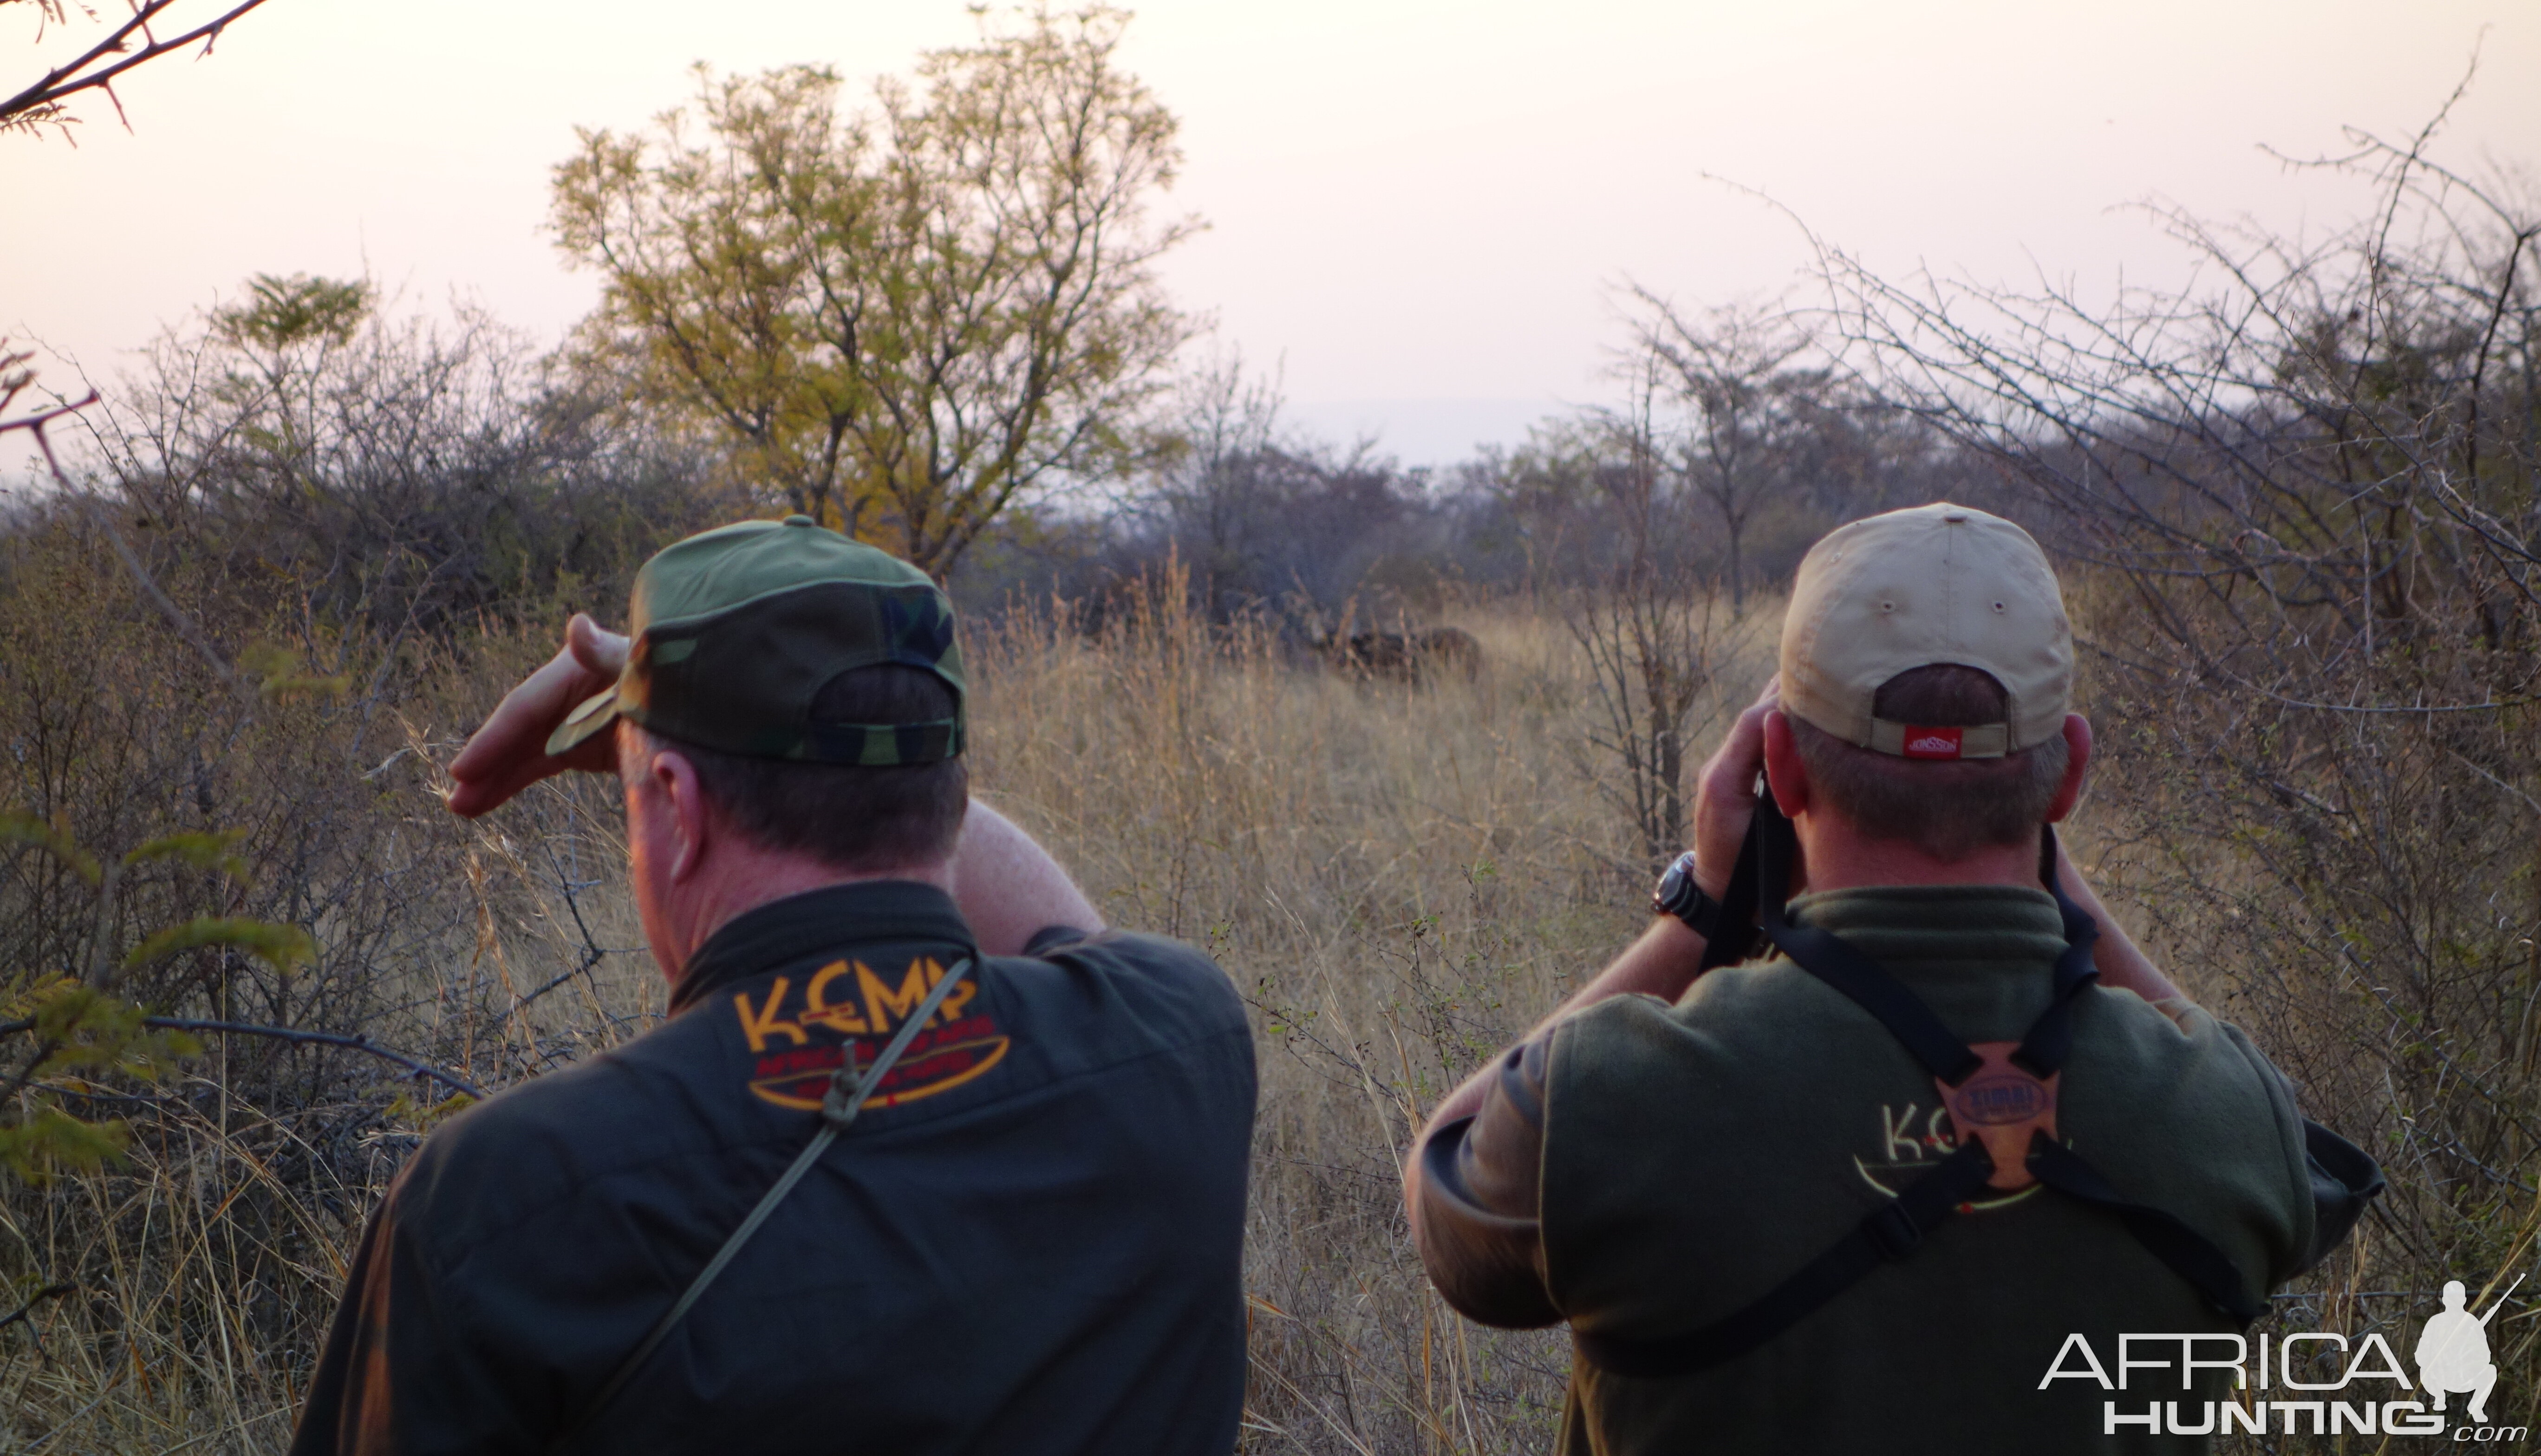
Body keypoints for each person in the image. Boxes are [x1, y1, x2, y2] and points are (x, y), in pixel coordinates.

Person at [1403, 503, 2383, 1453]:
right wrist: (2065, 894)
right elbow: (2316, 1185)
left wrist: (1701, 912)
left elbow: (1449, 1190)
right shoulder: (2221, 1114)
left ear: (1777, 770)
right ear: (2070, 778)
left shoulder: (1613, 1098)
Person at [290, 516, 1257, 1456]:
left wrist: (662, 718)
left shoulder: (508, 1200)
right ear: (949, 793)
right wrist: (820, 741)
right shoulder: (1176, 1041)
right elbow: (1050, 923)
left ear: (677, 802)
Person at [2417, 1280, 2500, 1423]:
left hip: (2466, 1375)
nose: (2453, 1302)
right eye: (2450, 1299)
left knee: (2491, 1371)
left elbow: (2486, 1356)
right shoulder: (2435, 1322)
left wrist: (2467, 1354)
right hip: (2441, 1376)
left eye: (2457, 1298)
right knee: (2425, 1370)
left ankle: (2476, 1406)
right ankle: (2439, 1398)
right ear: (2444, 1300)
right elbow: (2421, 1355)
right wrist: (2439, 1357)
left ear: (2464, 1300)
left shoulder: (2472, 1323)